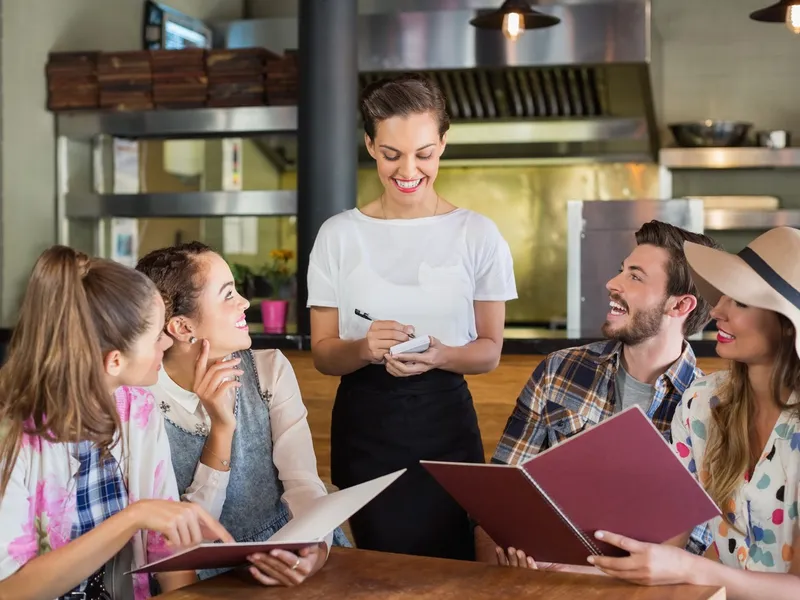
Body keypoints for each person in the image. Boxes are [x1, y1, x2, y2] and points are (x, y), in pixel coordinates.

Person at [307, 72, 517, 561]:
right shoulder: (338, 236)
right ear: (369, 145)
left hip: (445, 429)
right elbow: (322, 355)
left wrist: (443, 355)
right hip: (366, 431)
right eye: (391, 153)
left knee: (455, 568)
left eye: (424, 153)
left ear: (443, 144)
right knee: (379, 571)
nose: (408, 169)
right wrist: (363, 348)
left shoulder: (478, 235)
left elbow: (488, 353)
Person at [477, 220, 722, 565]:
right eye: (621, 270)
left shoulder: (712, 408)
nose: (612, 283)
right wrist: (503, 563)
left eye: (635, 277)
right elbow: (497, 502)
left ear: (680, 306)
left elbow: (697, 549)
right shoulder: (558, 371)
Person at [0, 246, 232, 600]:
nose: (168, 342)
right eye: (156, 337)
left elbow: (167, 551)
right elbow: (10, 589)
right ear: (114, 361)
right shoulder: (11, 433)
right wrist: (132, 517)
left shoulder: (137, 409)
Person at [587, 227, 800, 598]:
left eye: (741, 302)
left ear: (786, 327)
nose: (716, 310)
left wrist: (689, 567)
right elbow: (671, 539)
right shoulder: (702, 403)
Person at [136, 242, 349, 587]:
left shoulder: (270, 370)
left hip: (292, 550)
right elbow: (183, 534)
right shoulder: (141, 400)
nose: (245, 303)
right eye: (228, 294)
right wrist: (222, 428)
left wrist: (315, 550)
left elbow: (303, 483)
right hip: (199, 574)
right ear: (182, 328)